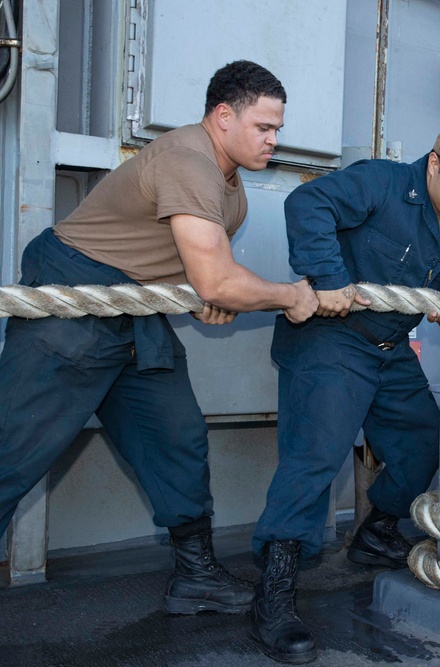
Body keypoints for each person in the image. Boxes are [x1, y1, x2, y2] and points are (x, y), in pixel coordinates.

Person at [0, 61, 318, 614]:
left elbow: (204, 275)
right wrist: (290, 296)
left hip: (139, 306)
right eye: (264, 127)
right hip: (76, 293)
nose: (274, 140)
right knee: (12, 451)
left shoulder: (230, 185)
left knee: (177, 437)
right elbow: (217, 277)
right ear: (223, 116)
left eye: (277, 129)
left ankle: (195, 575)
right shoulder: (186, 161)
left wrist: (212, 299)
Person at [250, 120, 440, 663]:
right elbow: (307, 204)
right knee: (316, 458)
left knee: (425, 443)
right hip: (332, 339)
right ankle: (273, 593)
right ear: (435, 163)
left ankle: (375, 534)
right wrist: (327, 278)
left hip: (390, 348)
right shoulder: (381, 183)